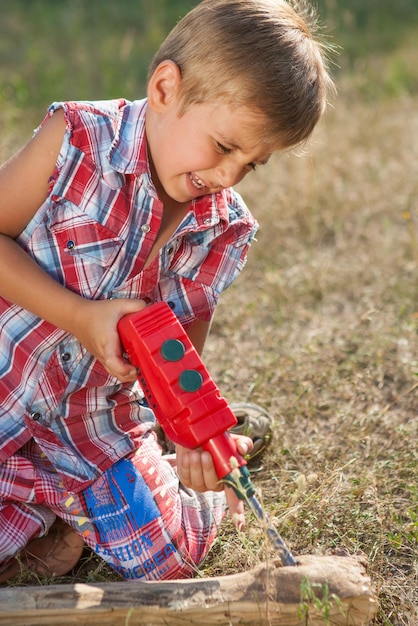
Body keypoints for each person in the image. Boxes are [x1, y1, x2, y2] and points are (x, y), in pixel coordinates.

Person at [0, 0, 334, 583]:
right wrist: (80, 316)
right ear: (164, 89)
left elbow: (179, 361)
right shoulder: (76, 140)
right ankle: (50, 518)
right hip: (7, 390)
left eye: (252, 165)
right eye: (225, 148)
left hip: (93, 428)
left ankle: (215, 448)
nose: (229, 176)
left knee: (169, 561)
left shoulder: (220, 229)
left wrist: (195, 438)